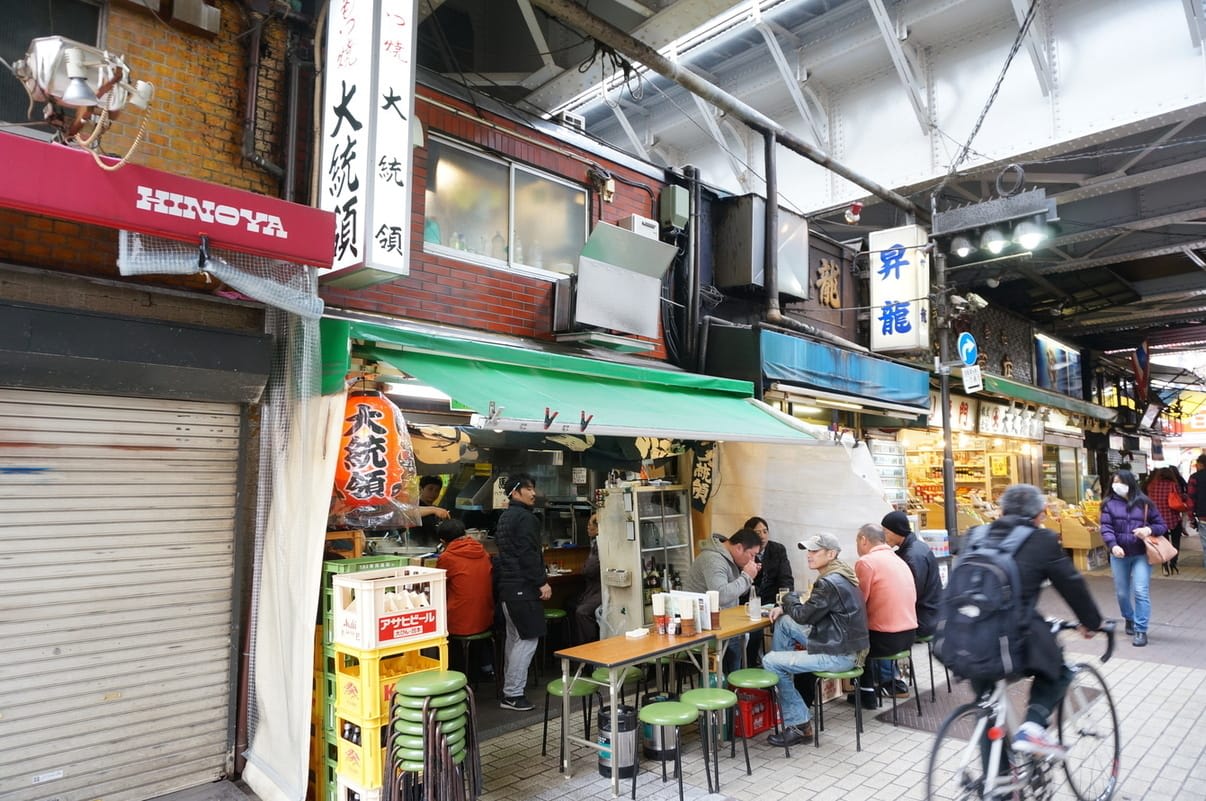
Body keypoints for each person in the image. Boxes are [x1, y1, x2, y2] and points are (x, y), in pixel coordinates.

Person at [968, 484, 1103, 759]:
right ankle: (1032, 726)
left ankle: (996, 780)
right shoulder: (1041, 540)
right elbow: (1072, 585)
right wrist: (1091, 622)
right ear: (1039, 515)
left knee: (987, 707)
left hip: (965, 636)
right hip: (1010, 637)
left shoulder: (975, 534)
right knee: (1058, 667)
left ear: (1002, 511)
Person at [760, 533, 869, 747]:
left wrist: (787, 598)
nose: (809, 555)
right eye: (808, 551)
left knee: (770, 661)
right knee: (784, 623)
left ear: (831, 554)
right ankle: (786, 689)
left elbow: (803, 615)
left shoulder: (828, 582)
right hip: (842, 644)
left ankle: (799, 724)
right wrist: (786, 607)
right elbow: (806, 610)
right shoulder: (841, 574)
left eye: (815, 551)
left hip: (839, 655)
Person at [494, 473, 549, 711]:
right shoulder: (526, 518)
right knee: (527, 640)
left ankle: (510, 690)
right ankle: (513, 694)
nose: (533, 493)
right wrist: (541, 582)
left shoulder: (505, 517)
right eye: (528, 489)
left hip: (508, 588)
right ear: (515, 492)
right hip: (523, 588)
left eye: (533, 488)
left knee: (515, 639)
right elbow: (528, 554)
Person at [851, 523, 917, 706]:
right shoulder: (899, 560)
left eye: (856, 541)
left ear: (863, 540)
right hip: (909, 636)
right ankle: (872, 688)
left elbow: (858, 602)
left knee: (855, 640)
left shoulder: (866, 562)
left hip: (886, 639)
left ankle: (866, 694)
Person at [1099, 469, 1165, 647]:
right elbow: (1106, 528)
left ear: (1130, 483)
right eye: (1114, 482)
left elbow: (1161, 525)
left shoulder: (1145, 503)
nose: (1117, 486)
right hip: (1119, 555)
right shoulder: (1108, 504)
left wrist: (1148, 530)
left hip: (1141, 554)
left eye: (1121, 482)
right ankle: (1129, 617)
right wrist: (1113, 545)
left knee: (1141, 591)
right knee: (1122, 593)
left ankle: (1141, 629)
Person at [685, 527, 762, 675]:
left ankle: (736, 681)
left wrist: (750, 576)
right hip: (703, 626)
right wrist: (746, 577)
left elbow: (735, 592)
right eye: (752, 555)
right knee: (736, 642)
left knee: (752, 634)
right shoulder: (713, 559)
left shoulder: (728, 557)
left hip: (722, 620)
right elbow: (722, 596)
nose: (753, 560)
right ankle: (732, 683)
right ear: (739, 548)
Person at [879, 510, 942, 691]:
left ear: (896, 531)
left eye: (885, 532)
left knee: (880, 634)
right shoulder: (914, 548)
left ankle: (891, 683)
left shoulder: (913, 556)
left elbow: (910, 594)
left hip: (923, 619)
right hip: (928, 613)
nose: (883, 536)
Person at [436, 519, 495, 680]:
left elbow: (438, 587)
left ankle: (453, 676)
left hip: (460, 623)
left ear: (443, 541)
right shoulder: (482, 552)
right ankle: (484, 668)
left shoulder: (447, 557)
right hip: (485, 617)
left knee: (439, 627)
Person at [744, 516, 794, 666]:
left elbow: (786, 579)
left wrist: (782, 604)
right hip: (749, 603)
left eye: (765, 531)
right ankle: (751, 665)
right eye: (757, 532)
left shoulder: (777, 549)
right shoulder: (745, 552)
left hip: (772, 601)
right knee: (754, 631)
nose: (762, 536)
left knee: (785, 623)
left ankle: (780, 664)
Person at [1144, 467, 1184, 575]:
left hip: (1157, 520)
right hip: (1173, 517)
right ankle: (1173, 564)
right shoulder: (1173, 485)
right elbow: (1179, 499)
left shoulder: (1151, 486)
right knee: (1175, 542)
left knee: (1162, 544)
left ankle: (1164, 566)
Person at [574, 513, 602, 643]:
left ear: (598, 528)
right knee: (570, 603)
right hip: (595, 589)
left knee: (582, 612)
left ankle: (589, 647)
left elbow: (589, 570)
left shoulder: (599, 544)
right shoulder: (595, 544)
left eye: (590, 525)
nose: (587, 528)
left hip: (601, 590)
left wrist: (584, 568)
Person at [1186, 453, 1206, 566]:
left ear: (1201, 464)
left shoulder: (1194, 478)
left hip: (1203, 516)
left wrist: (1191, 518)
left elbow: (1191, 499)